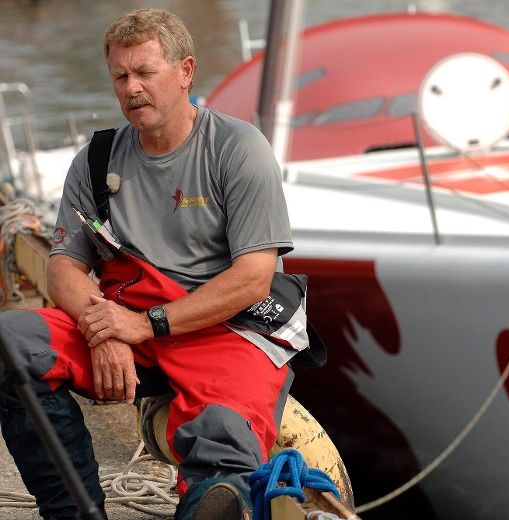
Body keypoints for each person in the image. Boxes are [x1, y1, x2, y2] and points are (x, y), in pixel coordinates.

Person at [0, 8, 297, 520]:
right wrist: (106, 330)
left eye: (145, 72)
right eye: (121, 76)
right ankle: (72, 510)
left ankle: (211, 499)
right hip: (127, 326)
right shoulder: (96, 160)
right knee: (12, 344)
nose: (132, 87)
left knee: (223, 446)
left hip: (222, 331)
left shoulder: (238, 148)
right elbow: (64, 266)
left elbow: (253, 278)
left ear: (185, 72)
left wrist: (145, 324)